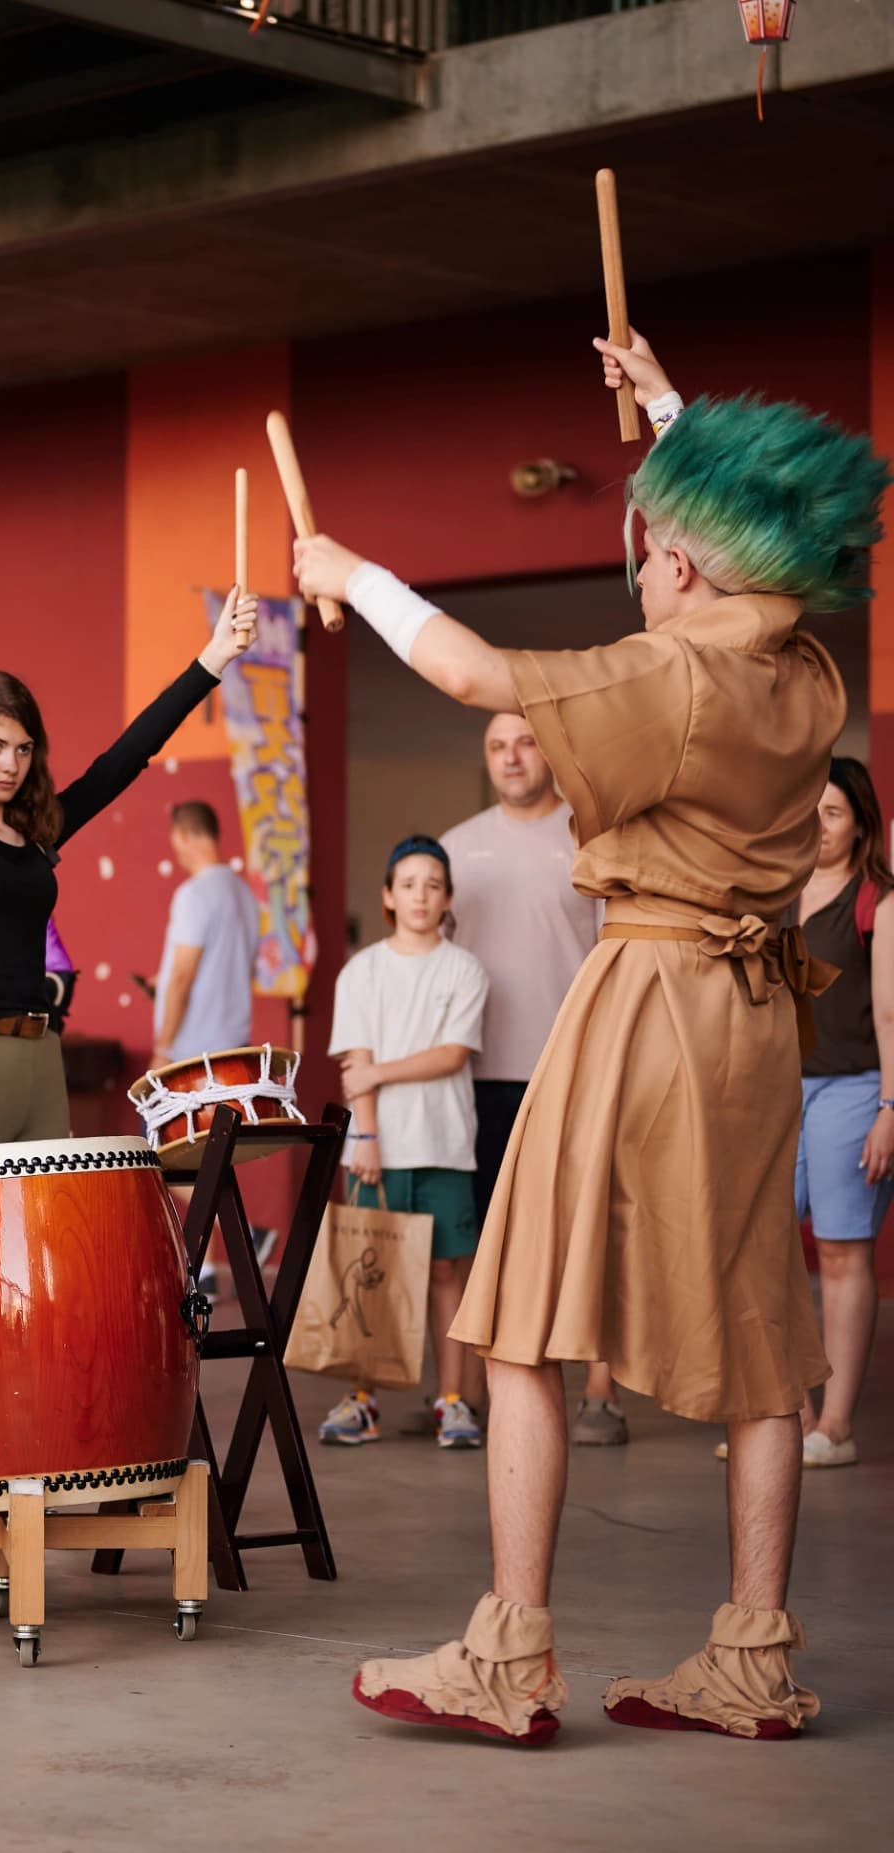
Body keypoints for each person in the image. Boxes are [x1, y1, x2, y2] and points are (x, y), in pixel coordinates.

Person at [297, 329, 886, 1744]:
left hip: (646, 1001)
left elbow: (475, 673)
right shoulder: (808, 676)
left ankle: (508, 1659)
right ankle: (751, 1656)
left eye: (647, 546)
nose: (639, 566)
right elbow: (763, 557)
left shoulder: (671, 676)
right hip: (756, 1021)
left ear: (681, 564)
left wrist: (349, 575)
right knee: (765, 1346)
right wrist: (675, 419)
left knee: (517, 1320)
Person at [0, 590, 259, 1149]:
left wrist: (213, 658)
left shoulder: (39, 831)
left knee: (45, 1231)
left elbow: (125, 760)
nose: (10, 764)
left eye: (23, 750)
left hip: (43, 1056)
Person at [442, 716, 627, 1447]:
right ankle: (491, 1393)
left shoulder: (591, 838)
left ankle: (601, 1394)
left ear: (548, 751)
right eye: (496, 745)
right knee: (490, 1240)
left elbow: (619, 955)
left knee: (587, 1234)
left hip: (572, 1070)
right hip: (479, 1074)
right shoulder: (457, 848)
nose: (511, 757)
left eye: (524, 742)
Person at [318, 836, 490, 1451]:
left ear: (447, 899)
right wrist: (365, 1133)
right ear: (389, 896)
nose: (422, 895)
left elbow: (452, 1054)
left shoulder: (464, 969)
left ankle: (453, 1401)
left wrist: (379, 1075)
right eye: (409, 883)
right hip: (375, 1149)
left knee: (449, 1272)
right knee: (369, 1274)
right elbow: (355, 1059)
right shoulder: (362, 970)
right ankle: (361, 1401)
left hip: (444, 1144)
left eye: (434, 884)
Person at [783, 758, 894, 1467]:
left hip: (855, 1088)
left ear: (859, 825)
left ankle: (836, 1426)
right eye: (809, 811)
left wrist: (891, 1105)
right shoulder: (775, 894)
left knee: (842, 1252)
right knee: (760, 1249)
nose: (818, 826)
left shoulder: (877, 901)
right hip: (776, 1090)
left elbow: (891, 1011)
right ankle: (785, 1419)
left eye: (832, 813)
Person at [149, 800, 262, 1072]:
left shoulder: (194, 894)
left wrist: (164, 1048)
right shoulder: (245, 894)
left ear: (183, 836)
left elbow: (182, 978)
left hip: (195, 1055)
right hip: (237, 1046)